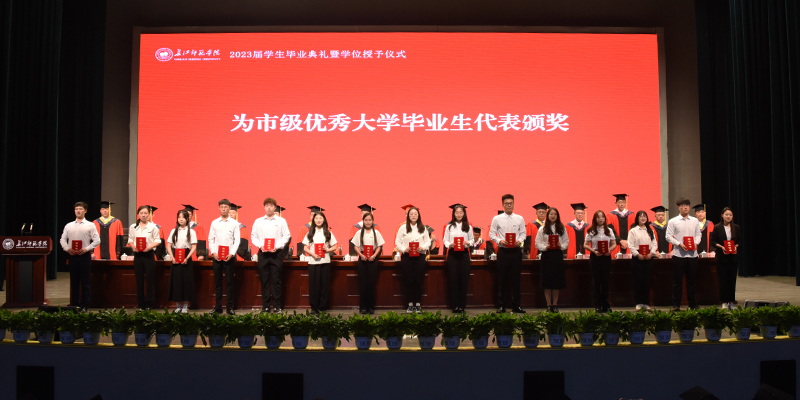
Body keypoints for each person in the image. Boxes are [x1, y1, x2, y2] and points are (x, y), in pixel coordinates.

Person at [251, 197, 292, 313]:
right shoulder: (258, 221)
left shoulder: (281, 221)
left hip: (276, 254)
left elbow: (286, 236)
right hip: (263, 254)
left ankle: (277, 306)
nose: (269, 207)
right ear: (264, 207)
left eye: (271, 205)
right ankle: (266, 305)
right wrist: (260, 245)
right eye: (267, 205)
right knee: (264, 280)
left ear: (275, 207)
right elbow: (253, 236)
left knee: (276, 280)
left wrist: (277, 246)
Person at [59, 201, 101, 311]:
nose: (78, 211)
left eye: (81, 209)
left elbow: (97, 240)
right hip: (72, 256)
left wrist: (87, 249)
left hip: (84, 256)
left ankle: (84, 305)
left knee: (85, 282)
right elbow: (62, 239)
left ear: (85, 211)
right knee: (74, 281)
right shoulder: (69, 225)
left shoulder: (90, 225)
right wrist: (67, 249)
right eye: (76, 209)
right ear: (74, 211)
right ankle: (74, 304)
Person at [489, 194, 527, 314]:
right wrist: (499, 240)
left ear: (514, 204)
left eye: (511, 203)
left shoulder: (519, 218)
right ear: (503, 205)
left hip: (516, 252)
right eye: (506, 204)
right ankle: (502, 305)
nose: (509, 205)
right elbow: (491, 234)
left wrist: (519, 240)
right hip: (503, 252)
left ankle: (517, 305)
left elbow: (523, 234)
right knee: (502, 279)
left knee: (516, 280)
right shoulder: (497, 219)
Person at [665, 197, 702, 311]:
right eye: (683, 205)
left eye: (687, 205)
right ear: (678, 207)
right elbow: (668, 236)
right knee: (677, 282)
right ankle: (676, 304)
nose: (685, 207)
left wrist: (696, 243)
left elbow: (698, 234)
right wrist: (679, 244)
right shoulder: (673, 221)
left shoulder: (694, 221)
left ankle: (692, 303)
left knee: (692, 281)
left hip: (692, 255)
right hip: (679, 255)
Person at [395, 206, 431, 313]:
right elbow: (397, 242)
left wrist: (423, 247)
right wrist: (404, 249)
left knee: (418, 281)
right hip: (407, 257)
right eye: (411, 214)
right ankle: (410, 304)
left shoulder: (423, 227)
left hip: (420, 257)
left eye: (415, 214)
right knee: (409, 281)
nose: (413, 216)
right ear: (408, 216)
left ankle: (418, 304)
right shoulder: (403, 228)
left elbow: (428, 241)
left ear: (418, 216)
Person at [208, 199, 241, 315]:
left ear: (229, 208)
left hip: (229, 257)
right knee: (217, 283)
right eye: (221, 207)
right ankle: (218, 306)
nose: (223, 209)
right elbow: (210, 239)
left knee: (229, 282)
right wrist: (213, 252)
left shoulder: (234, 223)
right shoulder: (214, 223)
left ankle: (229, 307)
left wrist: (232, 253)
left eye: (225, 207)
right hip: (217, 257)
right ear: (219, 208)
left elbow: (237, 240)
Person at [535, 207, 569, 313]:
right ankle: (549, 305)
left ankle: (555, 305)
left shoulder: (562, 228)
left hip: (557, 256)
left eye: (555, 214)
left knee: (556, 282)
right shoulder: (542, 229)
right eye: (551, 214)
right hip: (547, 256)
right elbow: (537, 243)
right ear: (547, 215)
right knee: (547, 282)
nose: (553, 216)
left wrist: (561, 246)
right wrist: (545, 247)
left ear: (557, 216)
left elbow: (566, 242)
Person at [127, 205, 161, 310]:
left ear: (149, 215)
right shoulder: (133, 227)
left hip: (149, 255)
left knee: (150, 281)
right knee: (139, 281)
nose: (143, 215)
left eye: (145, 213)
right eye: (141, 213)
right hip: (138, 255)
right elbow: (130, 239)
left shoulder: (153, 227)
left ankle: (149, 305)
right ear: (138, 214)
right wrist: (133, 246)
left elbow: (158, 240)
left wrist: (149, 247)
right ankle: (140, 305)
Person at [302, 211, 337, 314]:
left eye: (320, 218)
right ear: (313, 220)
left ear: (324, 220)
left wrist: (328, 249)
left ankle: (322, 307)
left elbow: (335, 246)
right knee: (314, 285)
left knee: (324, 285)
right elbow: (305, 248)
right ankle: (314, 307)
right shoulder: (310, 233)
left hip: (325, 262)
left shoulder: (328, 233)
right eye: (316, 218)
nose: (318, 220)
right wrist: (312, 254)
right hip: (313, 262)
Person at [583, 210, 618, 313]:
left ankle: (606, 305)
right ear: (595, 219)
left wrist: (609, 250)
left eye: (602, 217)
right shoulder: (591, 230)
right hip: (595, 257)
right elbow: (585, 245)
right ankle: (597, 305)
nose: (601, 219)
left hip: (606, 257)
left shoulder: (609, 230)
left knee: (606, 282)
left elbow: (614, 244)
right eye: (598, 217)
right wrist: (594, 251)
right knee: (596, 282)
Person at [443, 204, 475, 313]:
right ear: (453, 214)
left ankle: (462, 305)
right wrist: (449, 245)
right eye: (457, 212)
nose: (459, 214)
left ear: (464, 213)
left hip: (464, 254)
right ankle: (454, 305)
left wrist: (468, 243)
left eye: (461, 212)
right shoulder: (449, 227)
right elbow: (445, 240)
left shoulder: (468, 226)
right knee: (453, 280)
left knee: (463, 280)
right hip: (453, 254)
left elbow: (472, 240)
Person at [351, 212, 385, 314]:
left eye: (370, 220)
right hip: (362, 259)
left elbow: (379, 246)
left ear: (373, 221)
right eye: (366, 220)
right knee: (363, 284)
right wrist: (360, 255)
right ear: (363, 221)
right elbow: (355, 246)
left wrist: (374, 256)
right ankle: (363, 307)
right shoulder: (359, 233)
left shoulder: (376, 233)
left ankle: (371, 307)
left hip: (372, 260)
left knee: (371, 284)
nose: (368, 222)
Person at [627, 210, 660, 311]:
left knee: (647, 281)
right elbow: (630, 245)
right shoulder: (633, 231)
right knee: (637, 281)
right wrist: (637, 255)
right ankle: (638, 303)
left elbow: (654, 244)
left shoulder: (650, 230)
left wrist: (651, 253)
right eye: (640, 216)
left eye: (644, 216)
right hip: (637, 258)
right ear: (637, 218)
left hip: (648, 257)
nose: (643, 218)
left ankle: (645, 303)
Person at [166, 209, 197, 313]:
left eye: (183, 217)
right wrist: (172, 257)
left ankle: (185, 306)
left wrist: (187, 258)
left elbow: (193, 247)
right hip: (175, 257)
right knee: (176, 282)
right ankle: (178, 306)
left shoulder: (191, 231)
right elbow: (169, 245)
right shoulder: (173, 231)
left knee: (186, 282)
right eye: (179, 217)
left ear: (187, 219)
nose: (181, 219)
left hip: (186, 256)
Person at [710, 207, 741, 310]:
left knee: (732, 280)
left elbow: (740, 241)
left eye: (730, 215)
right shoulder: (717, 227)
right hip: (721, 258)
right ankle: (724, 301)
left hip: (733, 258)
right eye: (726, 214)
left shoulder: (736, 227)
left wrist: (736, 246)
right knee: (723, 280)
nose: (728, 216)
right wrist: (721, 247)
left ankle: (731, 301)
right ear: (722, 215)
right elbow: (713, 241)